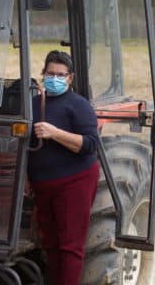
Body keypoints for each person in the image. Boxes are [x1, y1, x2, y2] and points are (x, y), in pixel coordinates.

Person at [28, 50, 100, 285]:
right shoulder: (33, 105)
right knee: (50, 244)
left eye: (61, 75)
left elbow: (90, 145)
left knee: (70, 246)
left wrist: (55, 133)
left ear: (70, 78)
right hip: (42, 184)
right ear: (43, 75)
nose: (55, 79)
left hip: (74, 181)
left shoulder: (78, 106)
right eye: (51, 74)